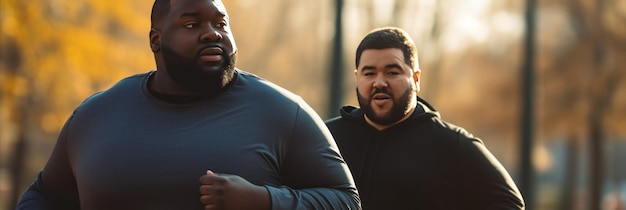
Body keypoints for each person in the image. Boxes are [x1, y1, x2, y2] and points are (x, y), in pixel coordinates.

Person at [16, 0, 360, 209]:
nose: (213, 33)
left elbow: (345, 201)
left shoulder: (284, 113)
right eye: (192, 24)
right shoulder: (95, 116)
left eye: (221, 23)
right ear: (156, 40)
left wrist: (266, 201)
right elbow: (45, 196)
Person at [325, 27, 525, 209]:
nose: (379, 82)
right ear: (357, 78)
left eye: (392, 72)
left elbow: (510, 204)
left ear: (416, 79)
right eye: (369, 73)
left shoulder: (451, 144)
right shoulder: (326, 138)